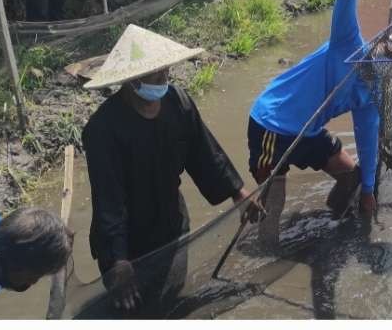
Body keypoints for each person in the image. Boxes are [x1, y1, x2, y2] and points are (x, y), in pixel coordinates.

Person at [81, 24, 263, 314]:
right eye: (155, 75)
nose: (163, 79)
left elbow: (206, 155)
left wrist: (238, 193)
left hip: (171, 223)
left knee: (169, 300)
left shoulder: (178, 102)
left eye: (166, 72)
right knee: (133, 310)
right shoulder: (103, 129)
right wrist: (118, 259)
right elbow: (108, 200)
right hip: (127, 237)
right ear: (132, 81)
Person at [248, 0, 382, 248]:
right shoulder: (348, 44)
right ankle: (266, 249)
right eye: (385, 53)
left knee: (352, 177)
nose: (384, 61)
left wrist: (367, 191)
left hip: (308, 131)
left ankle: (332, 227)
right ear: (379, 46)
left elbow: (367, 140)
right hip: (273, 123)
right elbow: (346, 0)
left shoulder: (372, 91)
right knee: (272, 204)